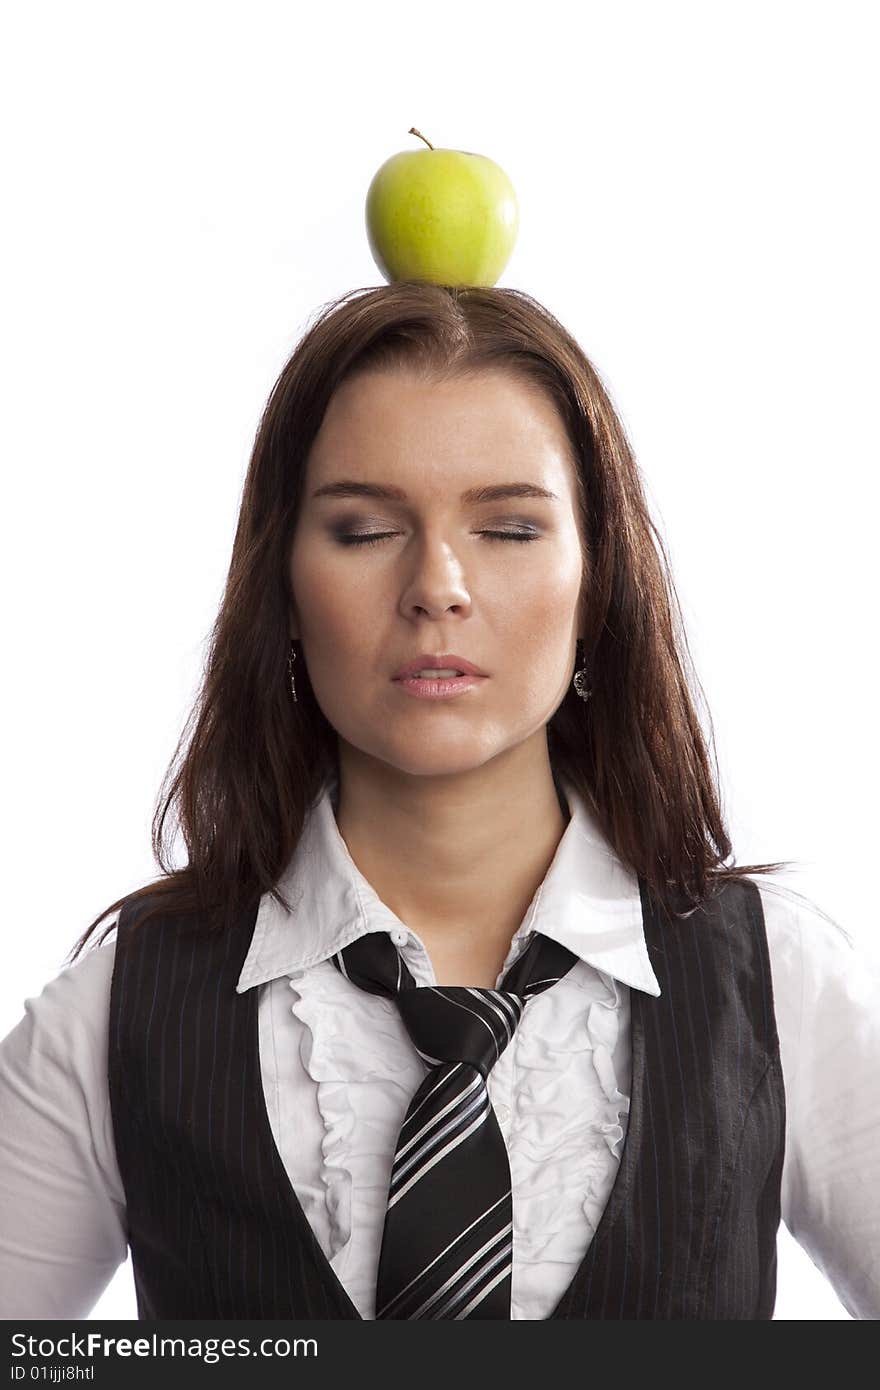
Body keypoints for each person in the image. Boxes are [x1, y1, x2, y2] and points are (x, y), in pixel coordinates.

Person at [1, 283, 878, 1321]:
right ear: (281, 585)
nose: (438, 586)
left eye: (509, 527)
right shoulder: (114, 1016)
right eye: (365, 529)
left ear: (596, 584)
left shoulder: (778, 989)